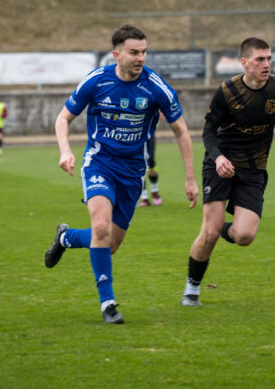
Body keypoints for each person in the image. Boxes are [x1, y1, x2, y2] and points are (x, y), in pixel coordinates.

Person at [44, 24, 199, 324]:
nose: (141, 58)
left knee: (110, 244)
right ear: (116, 55)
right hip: (99, 165)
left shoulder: (156, 87)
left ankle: (66, 237)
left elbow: (181, 131)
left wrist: (190, 178)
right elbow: (63, 118)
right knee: (101, 227)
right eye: (134, 52)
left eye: (144, 52)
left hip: (132, 173)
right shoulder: (97, 81)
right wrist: (65, 151)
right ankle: (108, 304)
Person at [180, 37, 275, 307]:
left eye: (269, 58)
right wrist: (219, 158)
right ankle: (192, 288)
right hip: (220, 165)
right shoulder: (227, 91)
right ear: (244, 62)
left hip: (254, 167)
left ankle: (215, 229)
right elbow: (208, 131)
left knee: (244, 236)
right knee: (209, 233)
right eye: (260, 59)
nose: (266, 64)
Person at [137, 132, 162, 207]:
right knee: (138, 163)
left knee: (151, 160)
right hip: (133, 135)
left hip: (148, 133)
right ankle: (144, 197)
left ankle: (154, 191)